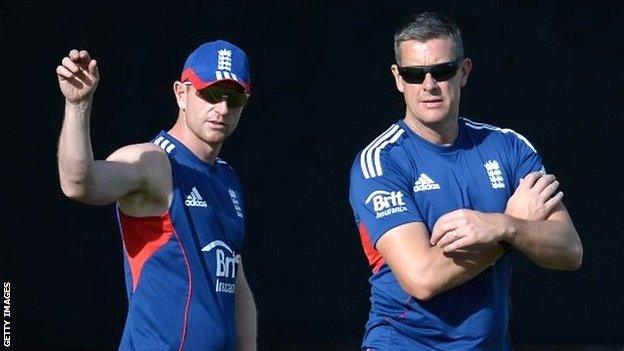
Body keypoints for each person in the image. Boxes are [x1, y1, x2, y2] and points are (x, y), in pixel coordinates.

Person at [348, 12, 583, 350]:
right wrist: (506, 236)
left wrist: (506, 225)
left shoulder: (508, 147)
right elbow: (422, 278)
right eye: (415, 75)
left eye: (442, 71)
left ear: (464, 72)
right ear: (398, 79)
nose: (429, 85)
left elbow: (570, 249)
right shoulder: (381, 162)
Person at [57, 40, 257, 351]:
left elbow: (234, 277)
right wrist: (78, 105)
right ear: (181, 93)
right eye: (211, 93)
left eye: (234, 97)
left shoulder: (227, 178)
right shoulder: (156, 163)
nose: (222, 109)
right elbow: (79, 183)